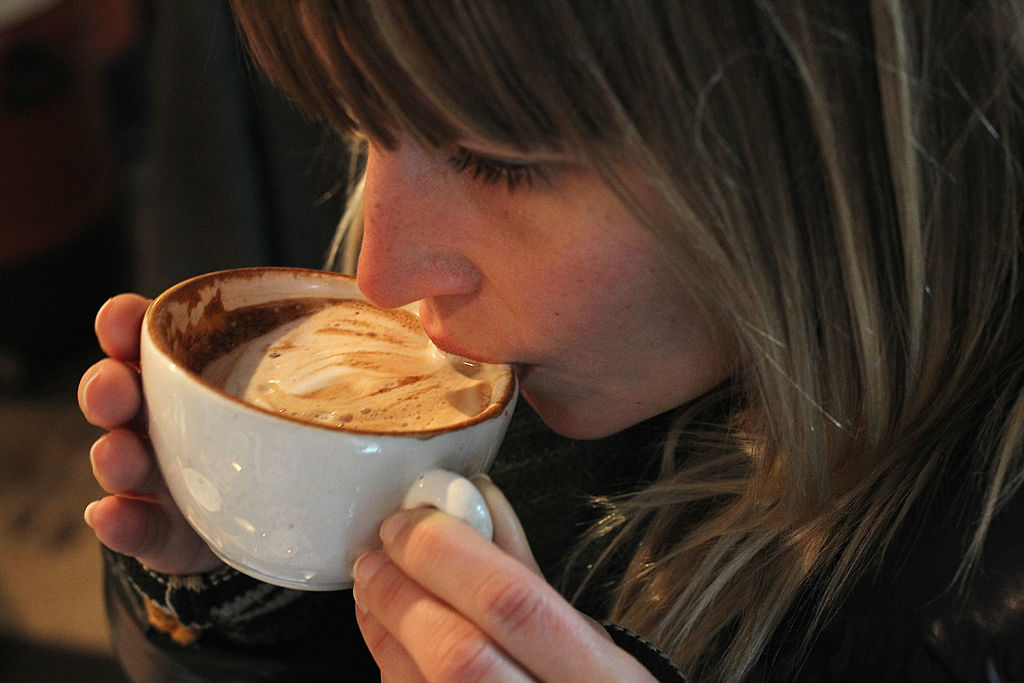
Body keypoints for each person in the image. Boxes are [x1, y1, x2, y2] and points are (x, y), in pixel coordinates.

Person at [77, 1, 1024, 680]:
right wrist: (251, 591)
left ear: (830, 130)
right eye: (359, 131)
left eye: (498, 164)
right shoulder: (523, 354)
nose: (379, 274)